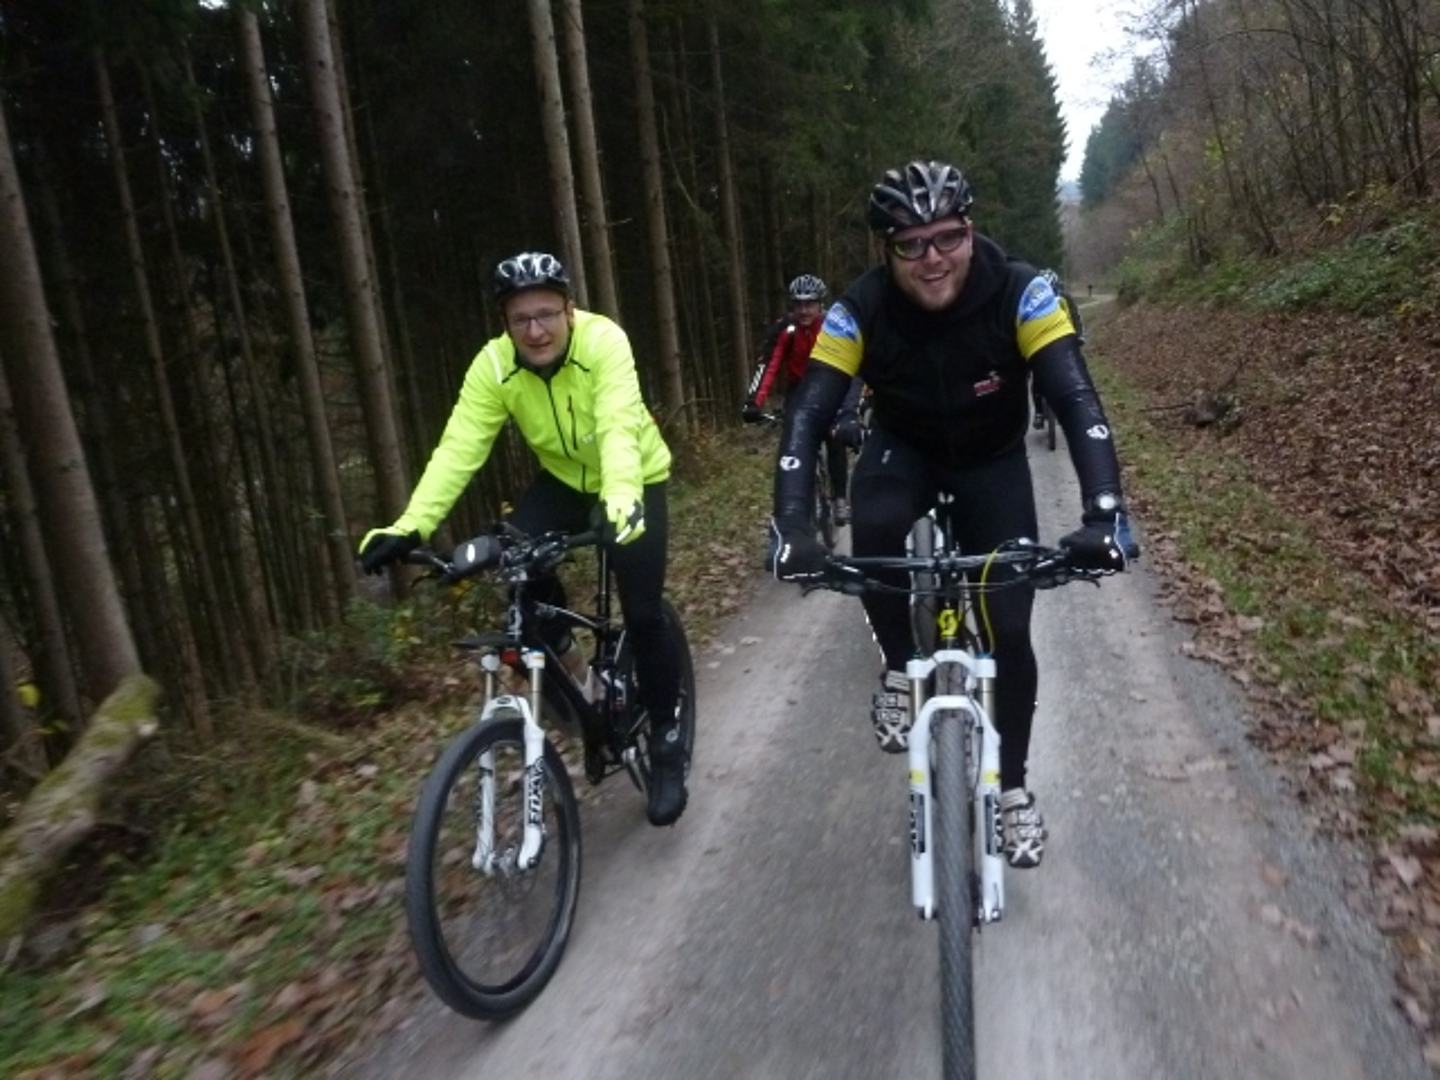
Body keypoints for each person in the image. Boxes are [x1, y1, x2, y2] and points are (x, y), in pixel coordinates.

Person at [768, 161, 1138, 869]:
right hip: (902, 450)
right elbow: (809, 412)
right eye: (910, 244)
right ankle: (900, 669)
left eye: (948, 237)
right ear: (886, 250)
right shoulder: (860, 307)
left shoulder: (1021, 290)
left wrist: (1105, 512)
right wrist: (792, 523)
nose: (932, 258)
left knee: (1010, 627)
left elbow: (1074, 397)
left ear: (971, 231)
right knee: (875, 535)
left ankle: (1014, 788)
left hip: (991, 461)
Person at [358, 251, 689, 827]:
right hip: (563, 481)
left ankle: (665, 739)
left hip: (635, 477)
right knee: (518, 571)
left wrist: (620, 499)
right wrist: (411, 525)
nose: (535, 331)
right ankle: (577, 675)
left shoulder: (603, 342)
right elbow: (459, 448)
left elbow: (617, 425)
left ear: (569, 310)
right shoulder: (493, 366)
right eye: (520, 319)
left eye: (546, 314)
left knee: (642, 612)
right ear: (505, 324)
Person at [741, 275, 862, 524]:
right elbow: (769, 365)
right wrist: (754, 402)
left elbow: (852, 368)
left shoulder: (833, 326)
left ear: (821, 304)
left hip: (831, 384)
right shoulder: (786, 329)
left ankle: (840, 499)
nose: (804, 310)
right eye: (798, 304)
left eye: (810, 304)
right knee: (794, 439)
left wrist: (848, 409)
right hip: (799, 389)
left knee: (834, 437)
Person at [1031, 268, 1086, 429]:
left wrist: (1079, 336)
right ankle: (1039, 412)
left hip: (1064, 339)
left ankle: (1078, 406)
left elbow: (1076, 318)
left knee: (1076, 370)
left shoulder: (1065, 299)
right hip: (1040, 342)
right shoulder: (1033, 301)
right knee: (1037, 378)